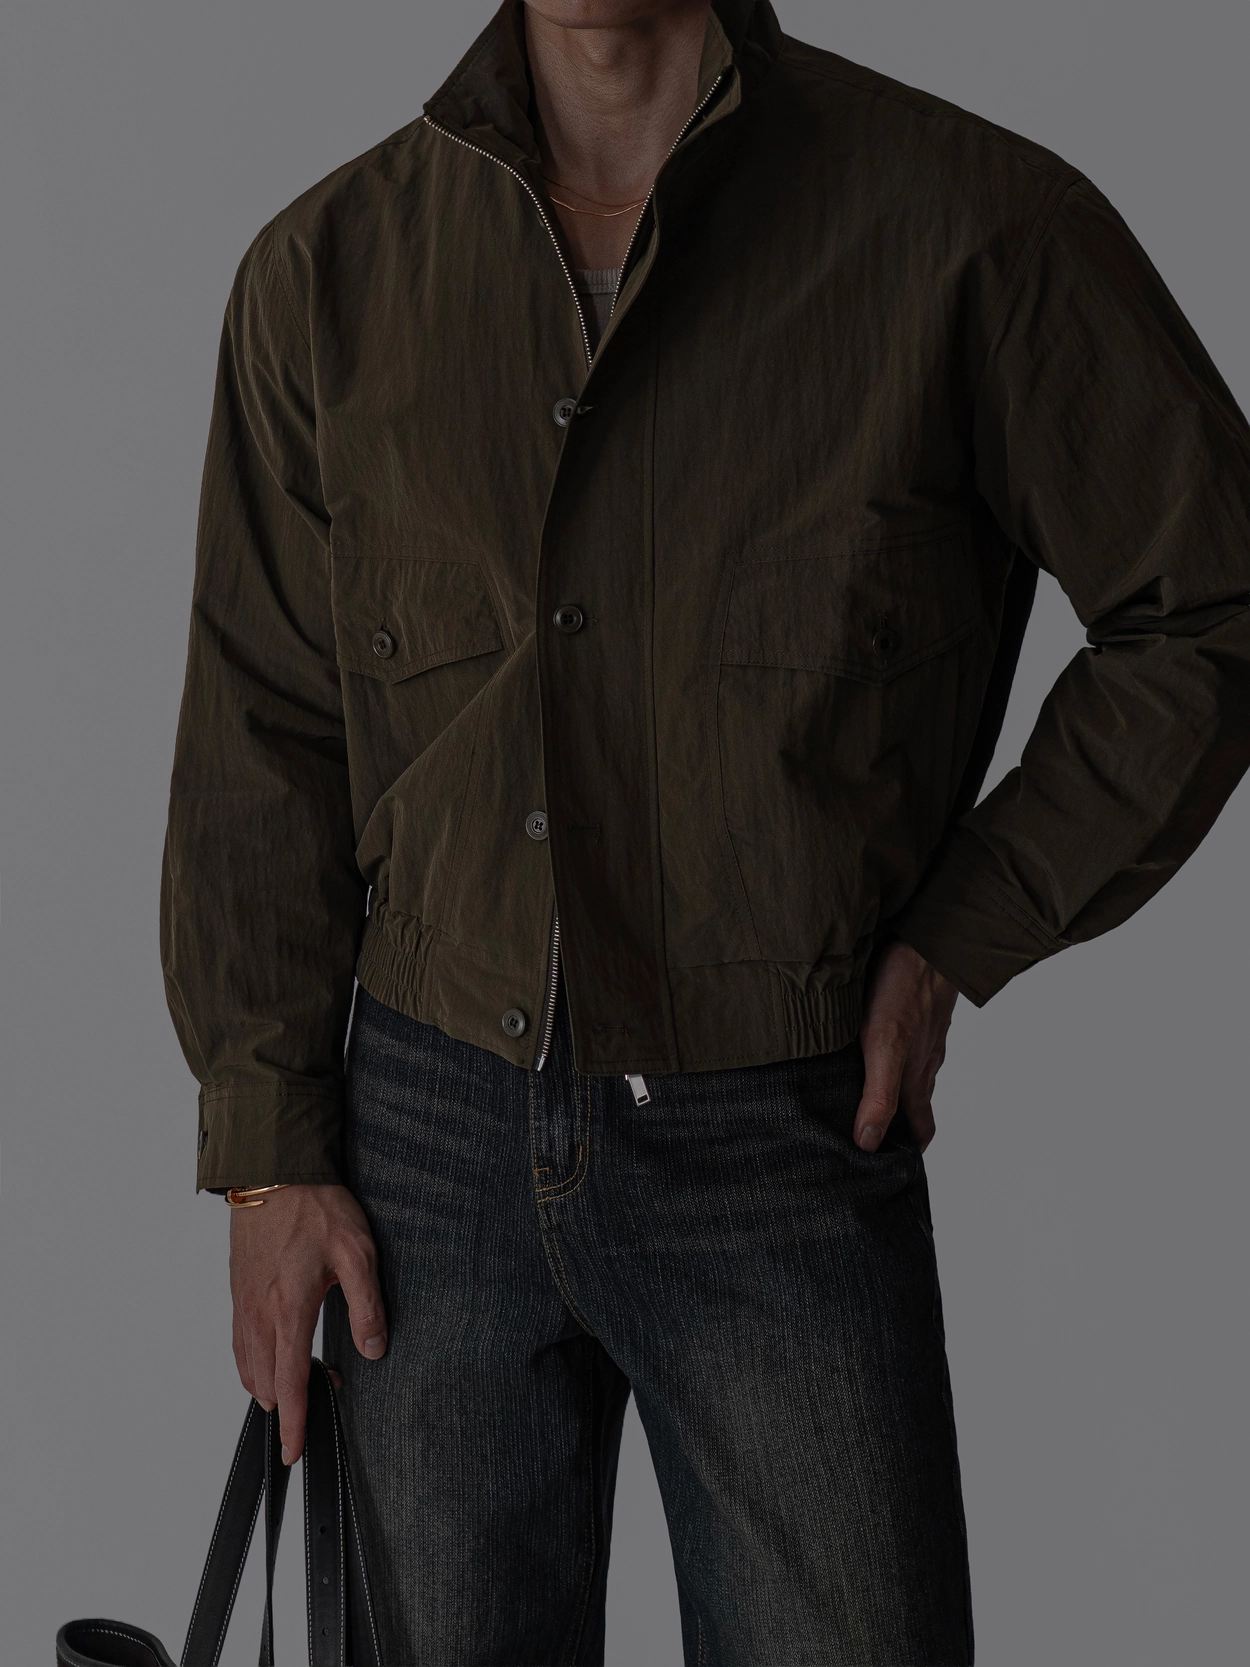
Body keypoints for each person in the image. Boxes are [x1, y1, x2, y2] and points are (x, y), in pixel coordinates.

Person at [159, 1, 1250, 1661]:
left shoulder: (969, 227)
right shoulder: (327, 269)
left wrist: (963, 928)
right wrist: (266, 1151)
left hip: (779, 1130)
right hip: (418, 1156)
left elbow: (1209, 602)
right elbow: (264, 733)